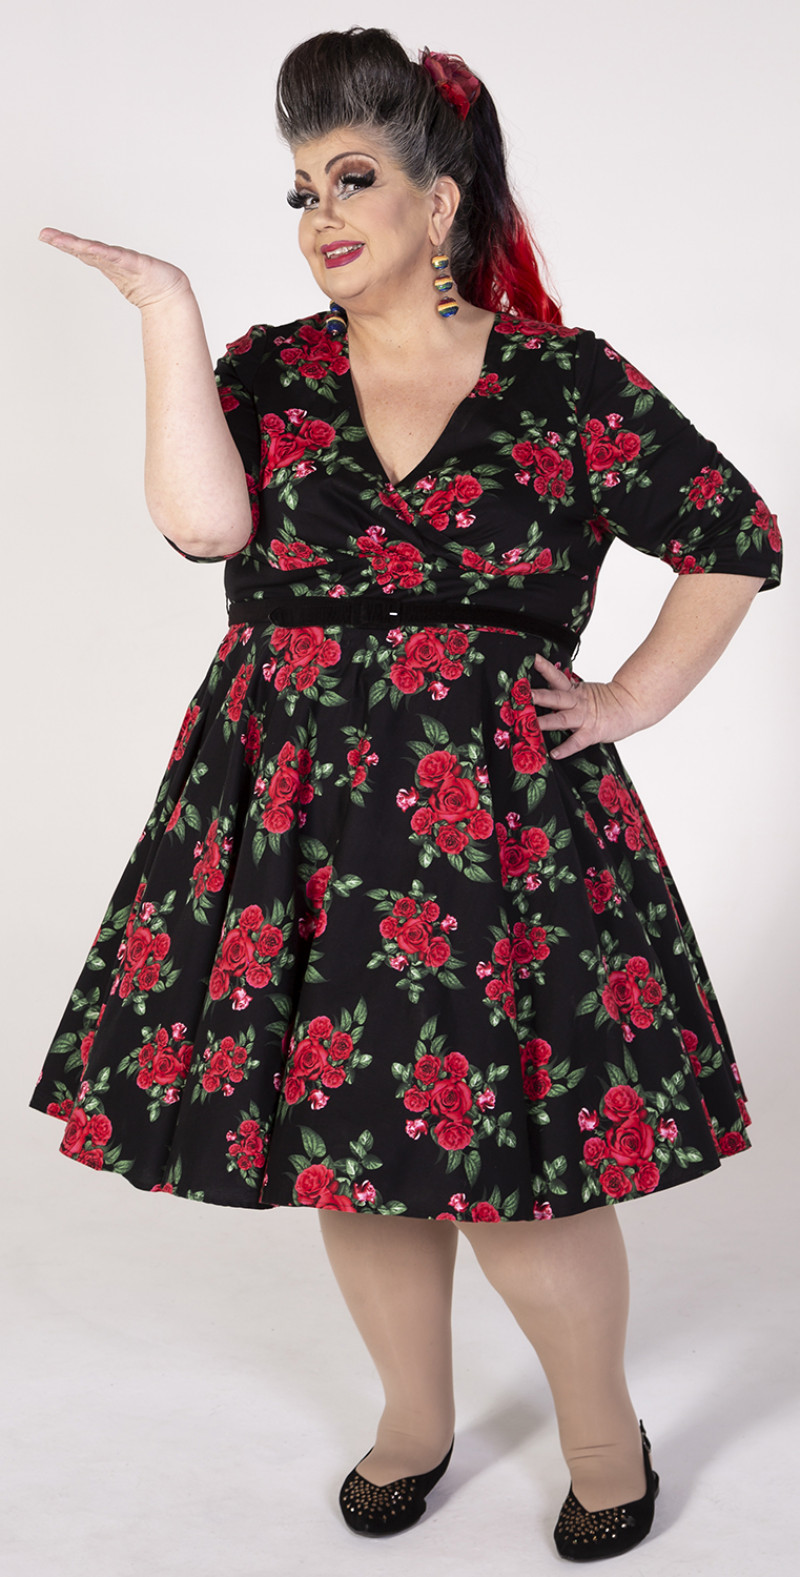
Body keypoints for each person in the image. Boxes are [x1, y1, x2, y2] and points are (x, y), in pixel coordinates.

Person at [29, 25, 781, 1562]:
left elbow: (735, 536)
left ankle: (599, 1437)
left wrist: (629, 697)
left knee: (523, 1174)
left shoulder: (562, 385)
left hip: (493, 824)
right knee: (355, 1143)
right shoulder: (269, 371)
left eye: (353, 176)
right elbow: (202, 528)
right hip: (294, 811)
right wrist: (169, 312)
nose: (319, 212)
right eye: (301, 186)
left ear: (441, 204)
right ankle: (415, 1418)